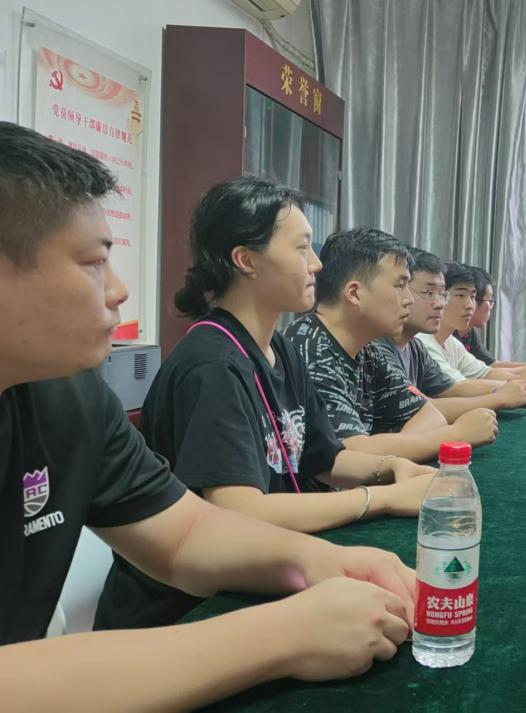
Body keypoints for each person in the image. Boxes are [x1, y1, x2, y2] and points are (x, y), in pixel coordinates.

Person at [0, 121, 415, 709]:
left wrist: (328, 561)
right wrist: (283, 635)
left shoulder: (67, 394)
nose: (119, 291)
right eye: (93, 263)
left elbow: (184, 534)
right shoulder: (207, 363)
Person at [94, 177, 439, 630]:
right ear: (246, 260)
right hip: (186, 612)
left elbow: (324, 457)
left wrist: (391, 468)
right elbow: (240, 509)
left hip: (260, 577)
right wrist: (381, 498)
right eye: (301, 248)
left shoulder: (280, 348)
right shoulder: (212, 365)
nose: (316, 264)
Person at [285, 228, 499, 461]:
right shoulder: (310, 347)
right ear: (354, 293)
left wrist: (389, 450)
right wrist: (455, 434)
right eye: (400, 286)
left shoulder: (367, 348)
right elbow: (347, 454)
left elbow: (429, 415)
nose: (409, 299)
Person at [395, 248, 526, 416]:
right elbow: (424, 409)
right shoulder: (399, 346)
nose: (439, 303)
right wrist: (502, 395)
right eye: (428, 292)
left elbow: (450, 388)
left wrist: (511, 388)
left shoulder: (416, 346)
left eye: (441, 294)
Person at [417, 262, 526, 394]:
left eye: (472, 297)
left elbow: (485, 373)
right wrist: (521, 383)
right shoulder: (423, 343)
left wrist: (522, 381)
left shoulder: (451, 343)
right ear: (440, 296)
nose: (469, 305)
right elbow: (457, 387)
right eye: (461, 295)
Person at [459, 266, 526, 376]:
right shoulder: (451, 337)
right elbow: (483, 374)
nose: (491, 307)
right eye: (489, 300)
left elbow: (492, 365)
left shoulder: (468, 333)